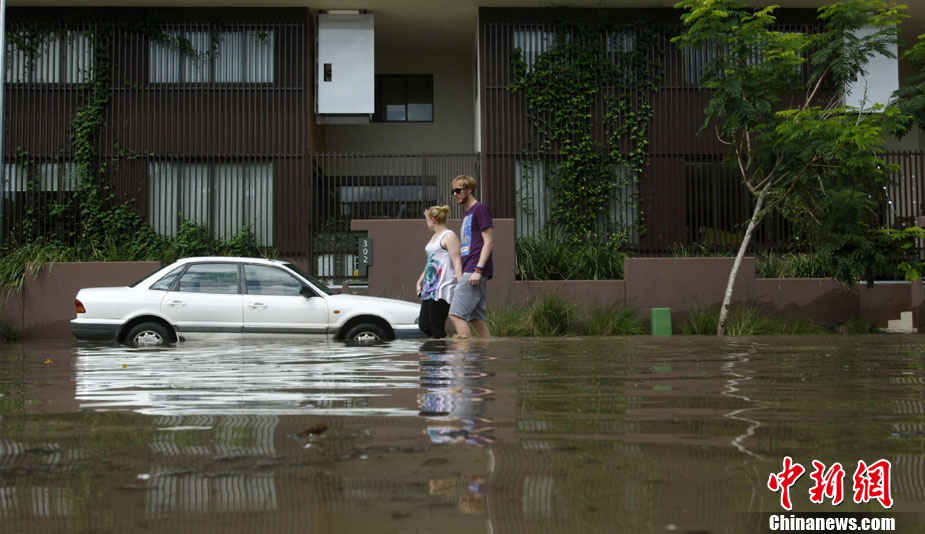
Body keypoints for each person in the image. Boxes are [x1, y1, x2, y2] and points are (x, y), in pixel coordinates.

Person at [448, 175, 493, 338]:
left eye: (458, 190)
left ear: (469, 190)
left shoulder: (480, 209)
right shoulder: (467, 214)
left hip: (475, 270)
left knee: (456, 315)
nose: (455, 194)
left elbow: (488, 242)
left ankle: (463, 360)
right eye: (453, 191)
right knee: (476, 320)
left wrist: (478, 269)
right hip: (470, 269)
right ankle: (483, 358)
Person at [416, 205, 462, 338]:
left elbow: (457, 262)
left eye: (426, 219)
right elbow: (431, 262)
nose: (426, 222)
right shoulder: (435, 236)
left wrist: (461, 285)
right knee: (424, 325)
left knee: (436, 326)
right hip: (430, 287)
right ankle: (439, 352)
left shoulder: (449, 236)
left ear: (432, 219)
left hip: (443, 286)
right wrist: (420, 281)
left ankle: (440, 355)